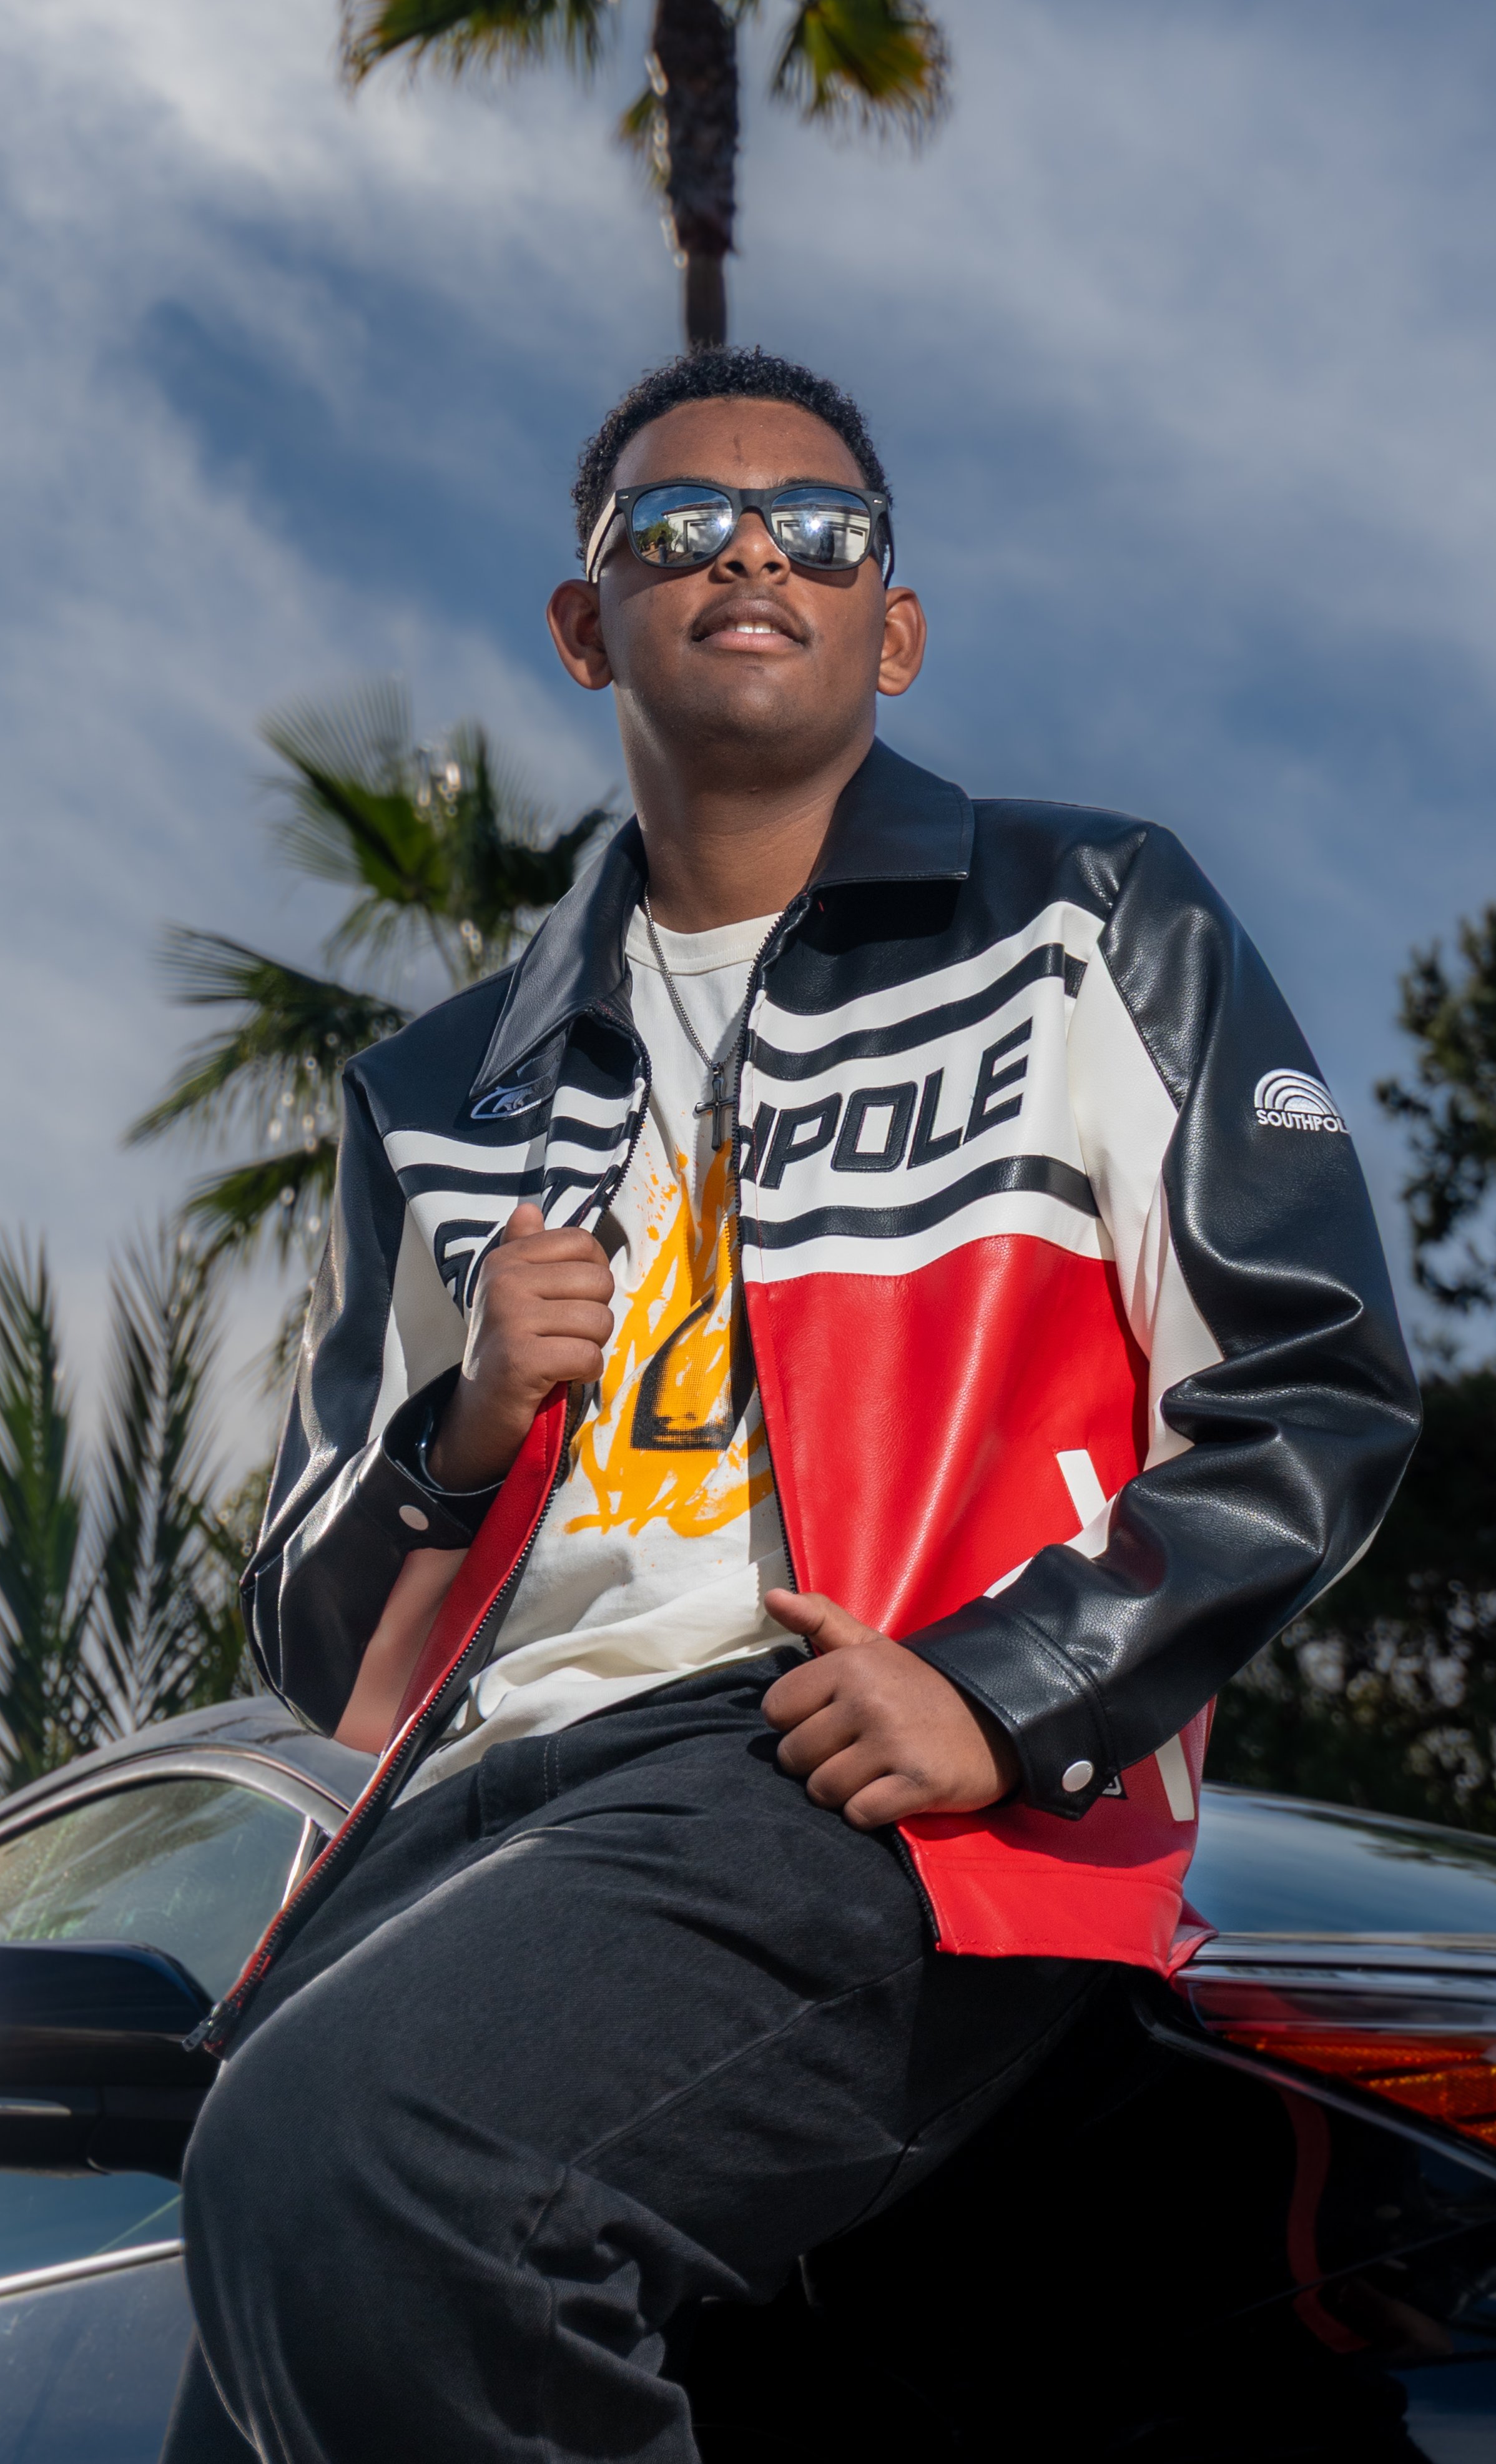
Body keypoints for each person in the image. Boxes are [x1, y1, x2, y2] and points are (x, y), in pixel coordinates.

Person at [168, 345, 1419, 2463]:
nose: (752, 552)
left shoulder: (1087, 917)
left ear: (888, 623)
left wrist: (1005, 1681)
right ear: (588, 621)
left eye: (816, 528)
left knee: (364, 2170)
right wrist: (458, 1425)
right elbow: (315, 1644)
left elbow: (1308, 1380)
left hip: (825, 1756)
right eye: (679, 525)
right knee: (281, 2269)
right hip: (452, 1839)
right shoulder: (437, 1097)